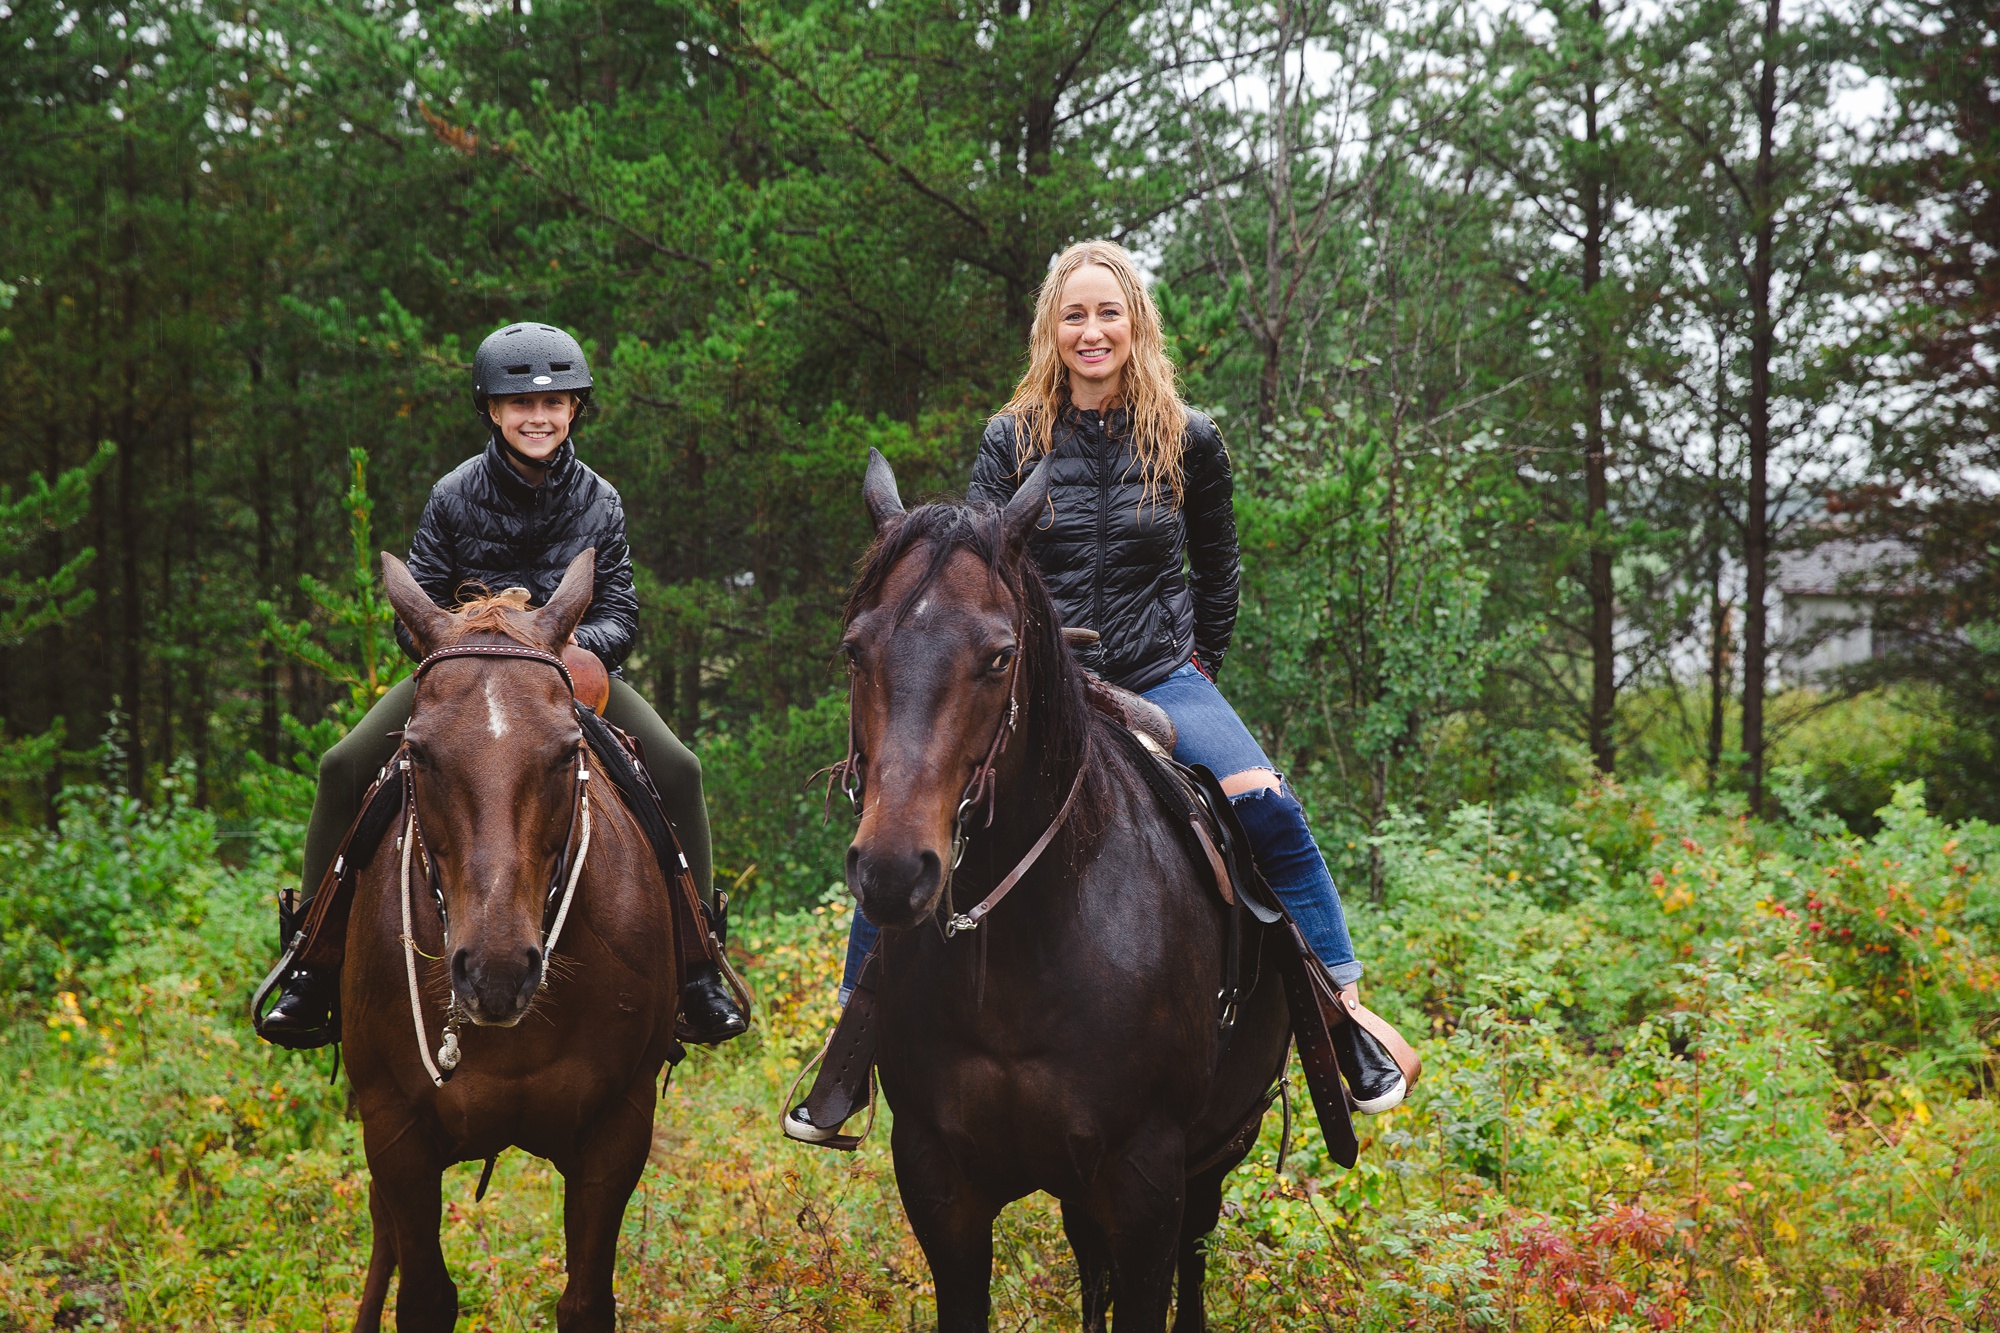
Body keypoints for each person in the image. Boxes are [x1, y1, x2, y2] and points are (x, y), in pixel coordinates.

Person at [792, 241, 1414, 1142]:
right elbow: (972, 574)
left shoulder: (1188, 439)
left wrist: (1199, 666)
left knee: (1267, 806)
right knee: (907, 802)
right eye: (1074, 315)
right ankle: (854, 1033)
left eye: (1107, 313)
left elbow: (1219, 570)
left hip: (1161, 672)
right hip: (1042, 688)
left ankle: (1339, 1011)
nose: (1092, 331)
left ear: (1136, 324)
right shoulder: (1011, 438)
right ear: (1053, 328)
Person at [257, 321, 747, 1046]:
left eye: (554, 404)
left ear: (576, 409)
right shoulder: (454, 493)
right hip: (465, 680)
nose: (538, 417)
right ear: (491, 410)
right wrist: (464, 647)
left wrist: (580, 648)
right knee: (342, 766)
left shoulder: (600, 500)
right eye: (520, 405)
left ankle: (699, 963)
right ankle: (312, 958)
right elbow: (415, 611)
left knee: (678, 768)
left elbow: (621, 612)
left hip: (565, 677)